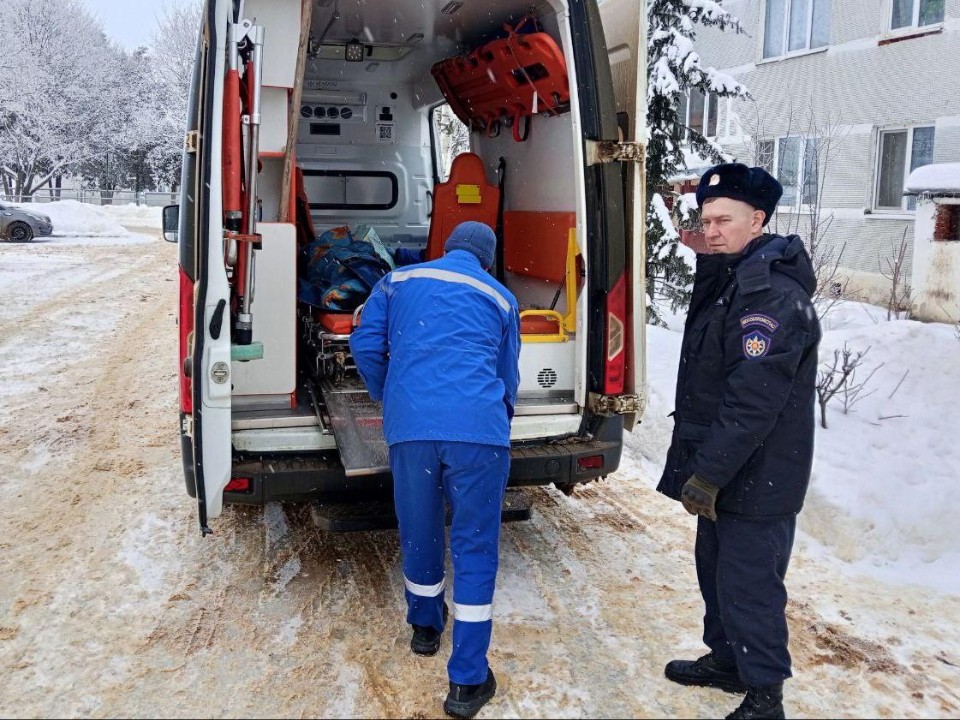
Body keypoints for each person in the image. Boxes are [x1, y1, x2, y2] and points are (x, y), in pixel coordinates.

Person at [658, 163, 821, 720]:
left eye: (724, 219)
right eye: (706, 221)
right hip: (729, 469)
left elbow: (752, 401)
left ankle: (765, 695)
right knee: (716, 570)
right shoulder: (731, 280)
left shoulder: (769, 296)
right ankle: (728, 661)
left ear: (758, 220)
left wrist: (708, 475)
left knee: (750, 584)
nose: (712, 230)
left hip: (758, 473)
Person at [349, 221, 520, 719]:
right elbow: (508, 376)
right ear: (486, 259)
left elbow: (365, 345)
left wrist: (392, 394)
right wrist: (491, 417)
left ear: (445, 248)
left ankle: (425, 627)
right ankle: (467, 681)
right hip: (479, 435)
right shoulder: (501, 297)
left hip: (413, 429)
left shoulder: (399, 281)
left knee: (420, 527)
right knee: (474, 545)